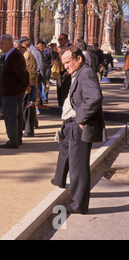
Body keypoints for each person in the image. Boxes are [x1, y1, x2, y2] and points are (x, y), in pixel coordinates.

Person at [51, 46, 106, 214]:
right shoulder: (78, 73)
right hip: (71, 124)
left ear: (79, 59)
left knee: (78, 167)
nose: (65, 66)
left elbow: (95, 97)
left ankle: (78, 205)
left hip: (78, 125)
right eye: (63, 63)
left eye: (68, 62)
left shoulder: (86, 73)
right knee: (65, 151)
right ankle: (59, 179)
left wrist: (81, 119)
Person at [0, 35, 30, 149]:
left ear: (10, 43)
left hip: (12, 91)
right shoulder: (11, 55)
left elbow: (21, 73)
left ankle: (13, 141)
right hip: (13, 90)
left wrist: (26, 84)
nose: (0, 46)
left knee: (11, 116)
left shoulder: (14, 56)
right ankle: (17, 138)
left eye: (2, 43)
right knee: (16, 115)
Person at [14, 40, 38, 138]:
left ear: (20, 47)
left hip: (28, 86)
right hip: (23, 86)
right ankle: (24, 127)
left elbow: (31, 72)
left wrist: (29, 85)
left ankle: (29, 130)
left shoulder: (27, 56)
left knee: (28, 108)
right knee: (23, 108)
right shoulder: (21, 56)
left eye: (15, 48)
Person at [56, 33, 72, 107]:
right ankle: (60, 104)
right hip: (59, 70)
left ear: (66, 39)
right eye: (58, 39)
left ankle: (65, 105)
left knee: (66, 88)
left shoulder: (70, 47)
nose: (59, 41)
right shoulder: (59, 47)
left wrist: (60, 53)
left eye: (61, 39)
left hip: (67, 71)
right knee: (59, 88)